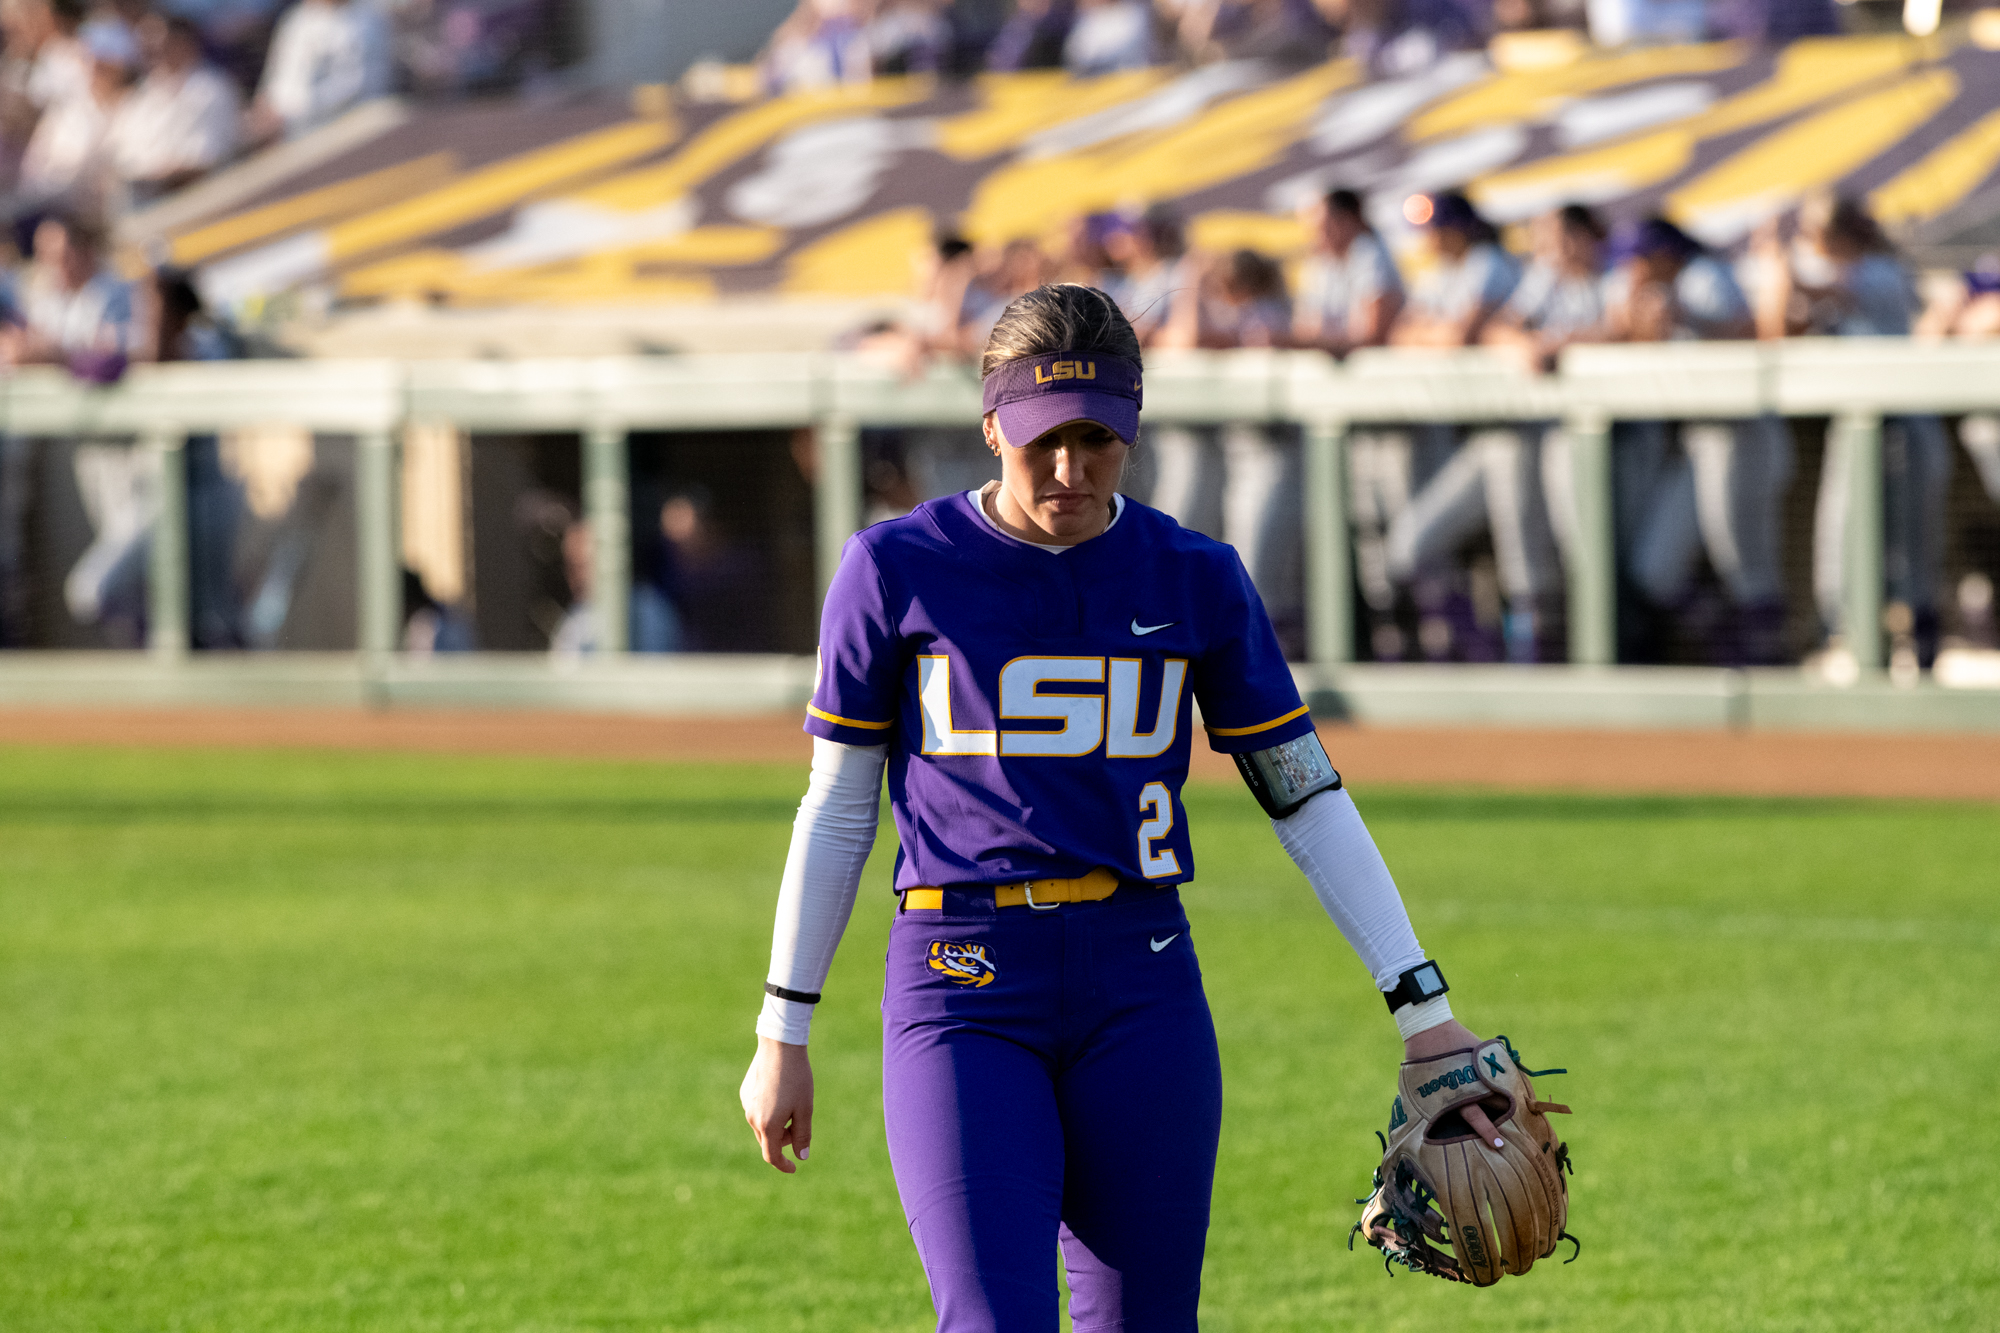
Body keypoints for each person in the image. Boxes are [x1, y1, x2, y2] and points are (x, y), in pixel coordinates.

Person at [739, 281, 1490, 1331]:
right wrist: (784, 1029)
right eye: (1042, 439)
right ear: (990, 421)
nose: (1068, 469)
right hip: (960, 980)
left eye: (1097, 439)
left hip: (1140, 980)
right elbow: (836, 810)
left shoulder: (1192, 575)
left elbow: (1304, 798)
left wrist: (1422, 1009)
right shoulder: (895, 568)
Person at [1751, 191, 1949, 671]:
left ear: (1833, 235)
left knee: (1909, 551)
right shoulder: (1831, 276)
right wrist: (1776, 272)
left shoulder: (1881, 272)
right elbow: (1776, 331)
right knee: (1842, 539)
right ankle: (1850, 644)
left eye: (1812, 234)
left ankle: (1916, 656)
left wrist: (1777, 260)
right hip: (1857, 431)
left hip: (1906, 428)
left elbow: (1823, 290)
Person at [1604, 215, 1788, 665]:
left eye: (1641, 260)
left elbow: (1752, 335)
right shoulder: (1652, 291)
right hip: (1699, 441)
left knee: (1745, 561)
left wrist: (1689, 317)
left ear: (1665, 256)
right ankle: (1735, 650)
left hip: (1745, 434)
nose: (1635, 269)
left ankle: (1769, 664)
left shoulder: (1706, 276)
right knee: (1654, 569)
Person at [1373, 189, 1520, 660]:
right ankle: (1475, 649)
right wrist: (1438, 334)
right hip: (1464, 432)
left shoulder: (1489, 262)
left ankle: (1493, 651)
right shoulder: (1441, 273)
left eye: (1435, 229)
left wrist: (1435, 334)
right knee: (1429, 550)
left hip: (1513, 430)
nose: (1428, 239)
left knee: (1519, 564)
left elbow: (1460, 334)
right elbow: (1400, 335)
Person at [1153, 247, 1304, 644]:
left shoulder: (1268, 314)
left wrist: (1190, 286)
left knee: (1261, 574)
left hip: (1277, 454)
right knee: (1245, 571)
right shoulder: (1242, 314)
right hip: (1243, 458)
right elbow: (1174, 340)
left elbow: (1192, 338)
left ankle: (1283, 671)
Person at [108, 13, 240, 208]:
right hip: (148, 202)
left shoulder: (212, 89)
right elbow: (123, 160)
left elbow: (207, 159)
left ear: (184, 43)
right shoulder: (139, 100)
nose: (152, 53)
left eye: (160, 45)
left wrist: (163, 173)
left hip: (205, 199)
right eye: (146, 48)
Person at [244, 0, 392, 144]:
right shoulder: (296, 19)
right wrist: (264, 106)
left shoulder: (366, 20)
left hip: (352, 129)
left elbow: (354, 86)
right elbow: (275, 74)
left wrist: (289, 116)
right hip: (291, 134)